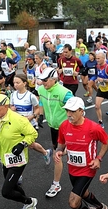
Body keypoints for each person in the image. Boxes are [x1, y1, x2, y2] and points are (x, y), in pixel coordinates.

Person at [55, 97, 108, 209]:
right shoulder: (64, 126)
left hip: (88, 169)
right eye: (67, 110)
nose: (69, 114)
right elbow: (61, 143)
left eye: (72, 111)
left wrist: (98, 158)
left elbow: (106, 141)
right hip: (72, 167)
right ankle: (101, 208)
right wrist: (58, 151)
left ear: (81, 111)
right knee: (83, 193)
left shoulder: (93, 128)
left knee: (73, 202)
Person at [0, 94, 38, 209]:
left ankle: (30, 202)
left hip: (18, 160)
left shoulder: (18, 119)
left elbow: (32, 134)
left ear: (5, 106)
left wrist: (22, 144)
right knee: (13, 185)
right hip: (5, 158)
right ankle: (27, 203)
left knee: (6, 192)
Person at [37, 67, 74, 197]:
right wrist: (41, 115)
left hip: (66, 129)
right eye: (41, 80)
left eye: (45, 80)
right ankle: (57, 183)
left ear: (54, 79)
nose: (43, 83)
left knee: (59, 155)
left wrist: (73, 126)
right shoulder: (41, 89)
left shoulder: (64, 93)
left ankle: (56, 184)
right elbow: (41, 100)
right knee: (58, 154)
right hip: (53, 128)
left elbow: (77, 109)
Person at [10, 74, 52, 165]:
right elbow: (11, 107)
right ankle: (16, 167)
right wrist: (12, 108)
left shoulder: (30, 96)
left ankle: (45, 152)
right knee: (15, 143)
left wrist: (32, 116)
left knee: (31, 145)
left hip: (29, 124)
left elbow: (37, 108)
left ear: (24, 83)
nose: (15, 85)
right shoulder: (13, 95)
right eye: (14, 83)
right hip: (17, 124)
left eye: (18, 82)